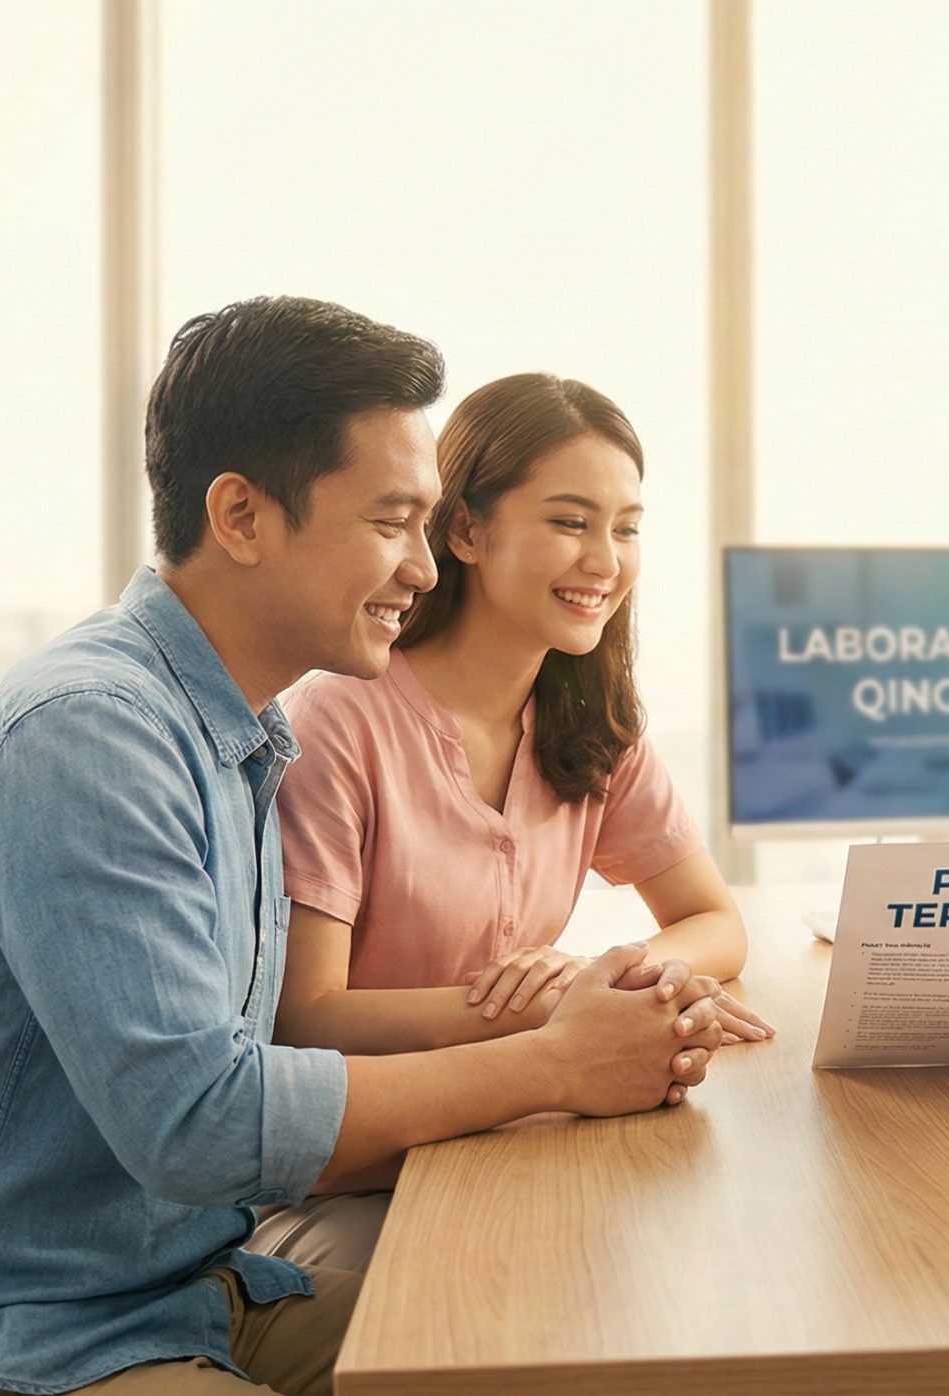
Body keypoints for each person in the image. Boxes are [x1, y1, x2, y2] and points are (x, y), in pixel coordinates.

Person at [0, 298, 726, 1396]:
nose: (426, 571)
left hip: (179, 1288)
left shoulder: (236, 732)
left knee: (582, 1351)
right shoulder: (89, 735)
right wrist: (550, 1061)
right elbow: (197, 1121)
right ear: (239, 514)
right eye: (391, 524)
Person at [253, 372, 771, 1272]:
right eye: (570, 522)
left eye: (627, 527)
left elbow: (716, 923)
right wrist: (547, 1019)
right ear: (467, 531)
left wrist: (617, 983)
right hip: (352, 1187)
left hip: (509, 1142)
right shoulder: (338, 718)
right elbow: (304, 1017)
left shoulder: (594, 719)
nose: (605, 561)